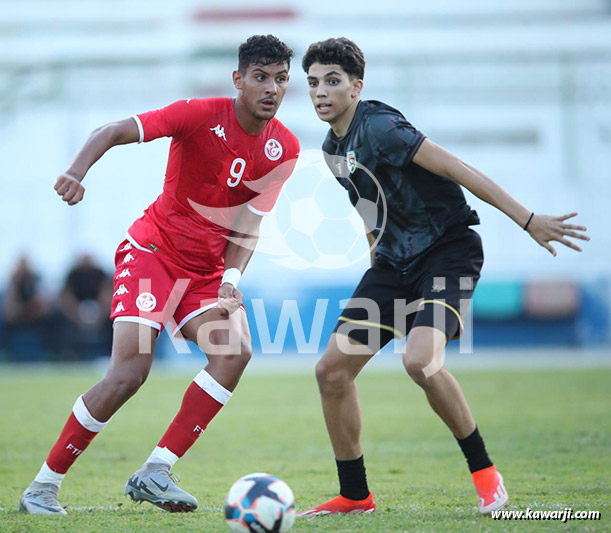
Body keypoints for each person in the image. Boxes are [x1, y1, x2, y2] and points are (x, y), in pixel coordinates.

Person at [299, 37, 589, 517]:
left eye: (332, 81)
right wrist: (377, 267)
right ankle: (355, 495)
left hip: (447, 253)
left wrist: (528, 218)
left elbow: (458, 168)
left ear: (356, 87)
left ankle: (487, 477)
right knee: (331, 370)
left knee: (420, 361)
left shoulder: (383, 127)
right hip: (394, 266)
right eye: (313, 83)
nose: (320, 92)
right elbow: (370, 210)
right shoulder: (333, 149)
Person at [19, 34, 299, 515]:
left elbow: (251, 221)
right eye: (260, 78)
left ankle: (156, 470)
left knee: (234, 353)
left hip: (207, 271)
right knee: (130, 373)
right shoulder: (197, 114)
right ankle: (43, 487)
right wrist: (75, 171)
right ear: (238, 80)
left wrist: (231, 276)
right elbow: (111, 130)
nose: (271, 88)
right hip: (154, 253)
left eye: (280, 79)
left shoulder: (285, 147)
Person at [57, 253, 113, 360]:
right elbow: (67, 297)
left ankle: (111, 354)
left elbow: (107, 294)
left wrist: (100, 313)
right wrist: (77, 315)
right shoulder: (73, 275)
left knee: (116, 321)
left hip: (99, 311)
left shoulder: (100, 274)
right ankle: (68, 355)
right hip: (76, 312)